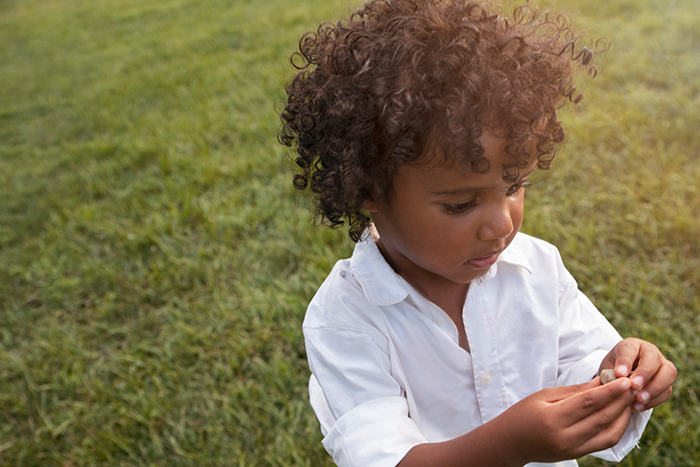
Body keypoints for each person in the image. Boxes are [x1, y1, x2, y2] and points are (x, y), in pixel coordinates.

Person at [278, 1, 677, 466]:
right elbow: (383, 457)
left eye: (514, 186)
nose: (503, 224)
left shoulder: (537, 269)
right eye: (460, 204)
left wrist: (623, 371)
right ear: (368, 187)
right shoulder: (346, 320)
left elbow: (587, 363)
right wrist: (511, 443)